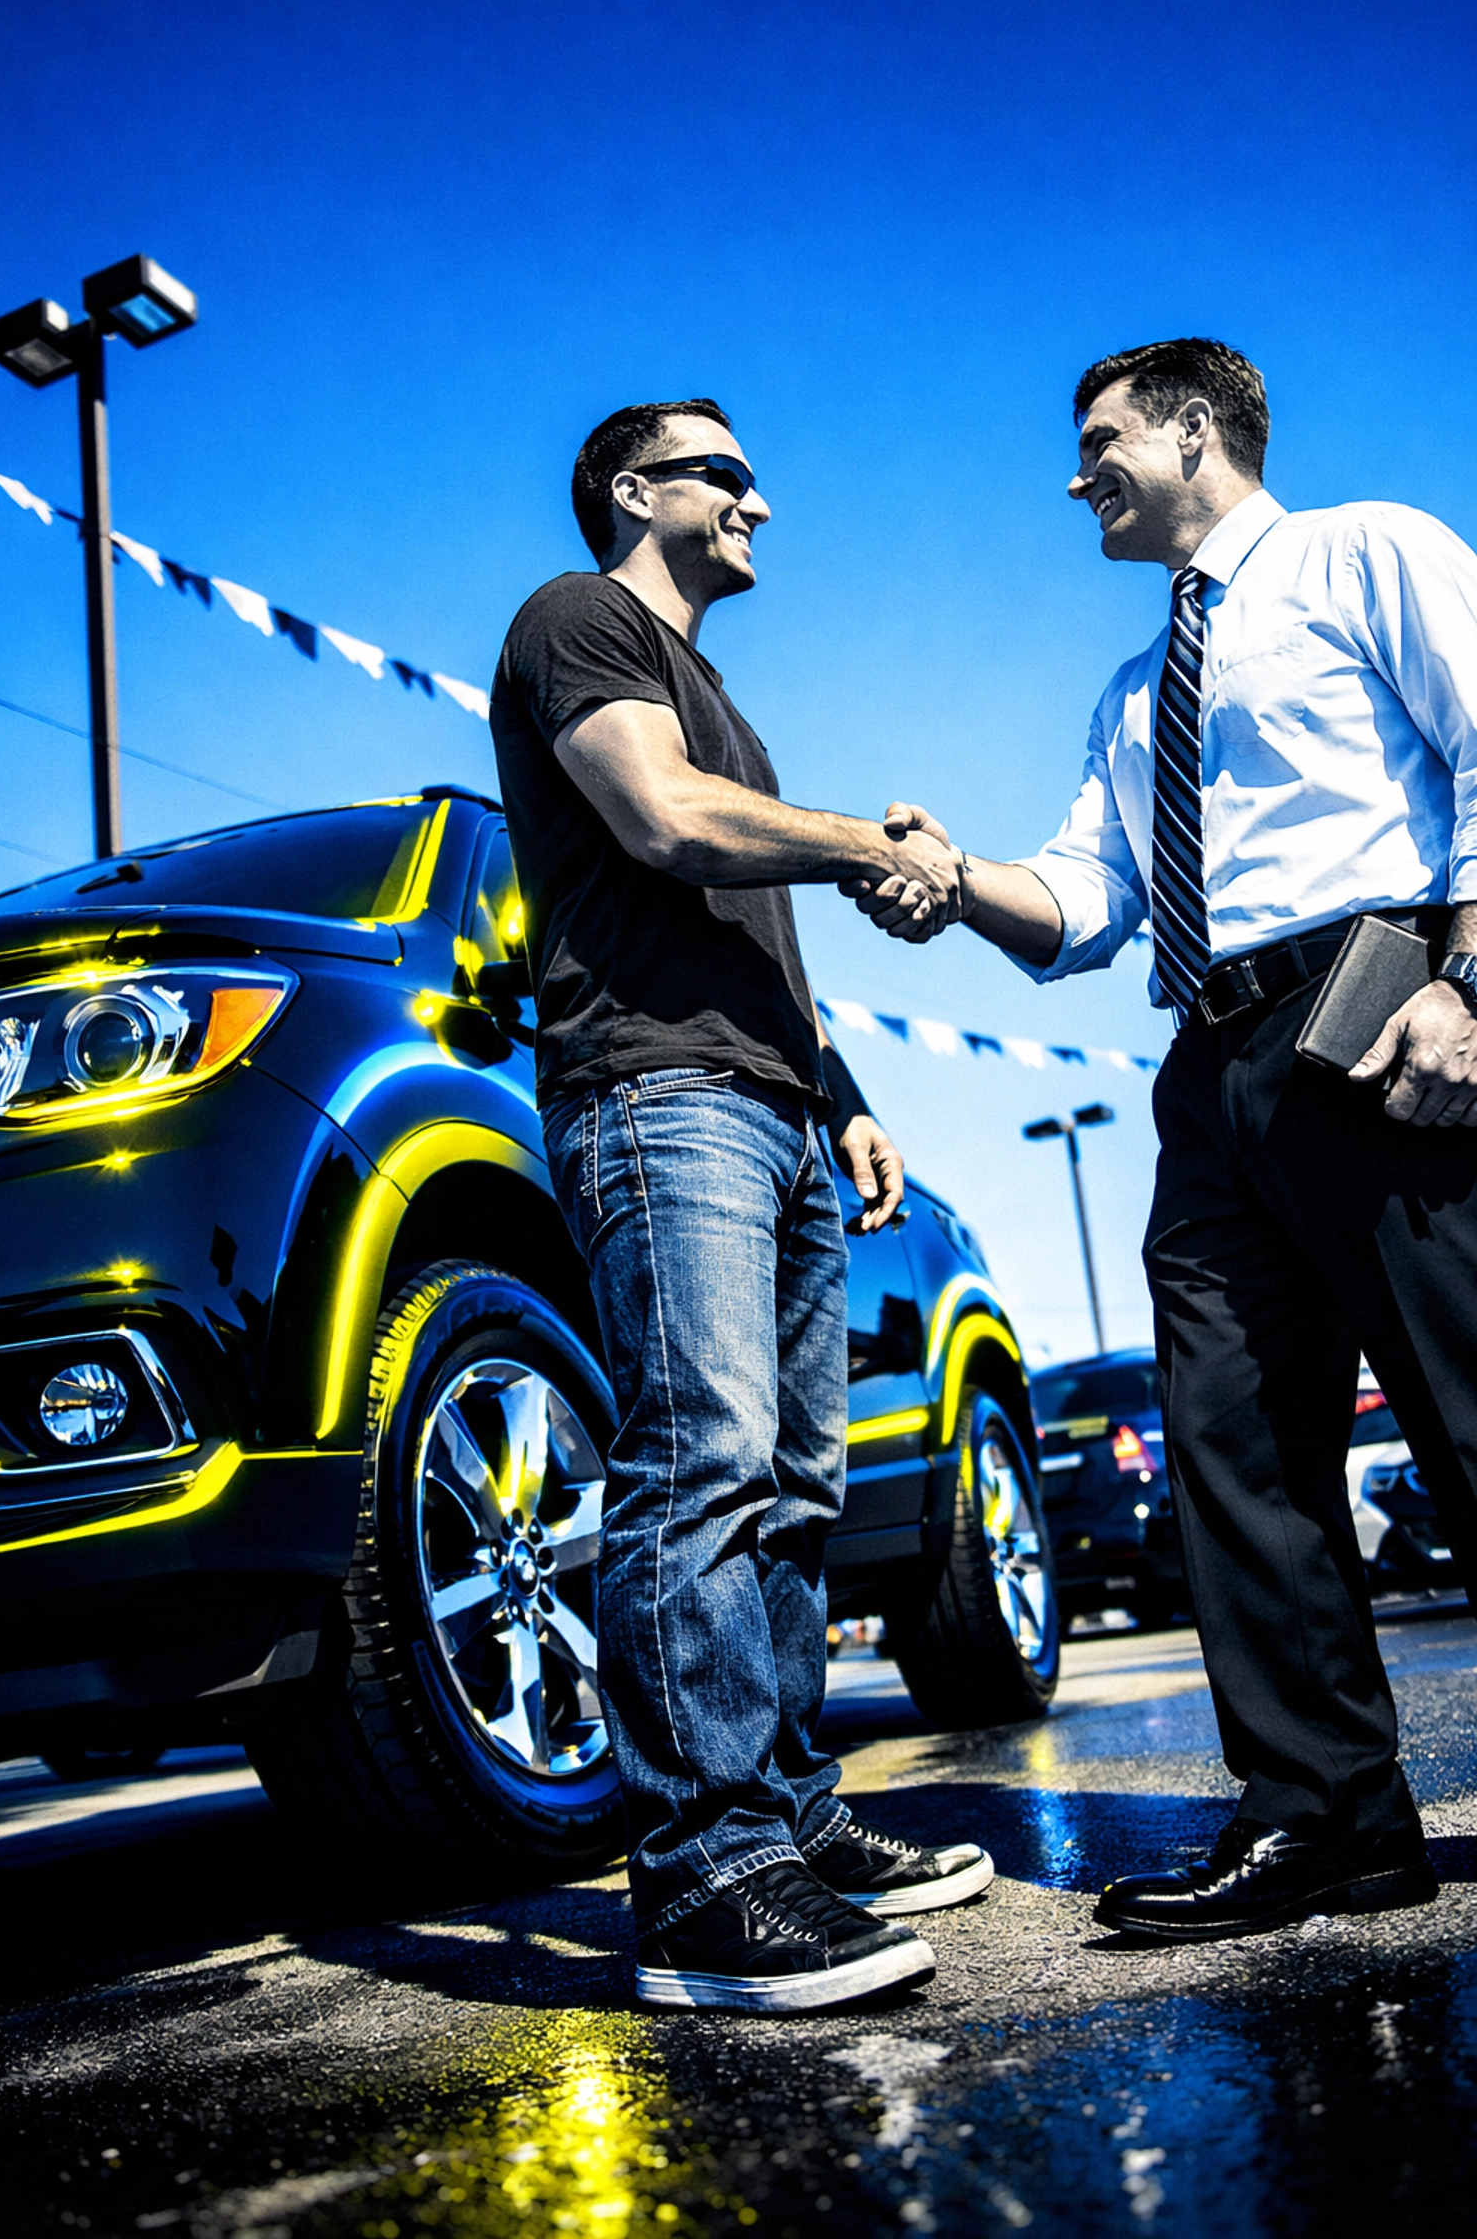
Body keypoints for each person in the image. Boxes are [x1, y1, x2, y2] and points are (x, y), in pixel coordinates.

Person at [853, 337, 1477, 1941]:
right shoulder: (1132, 697)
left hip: (1381, 1015)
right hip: (1210, 1078)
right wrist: (944, 873)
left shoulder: (1366, 553)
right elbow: (1079, 904)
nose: (1079, 478)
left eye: (1101, 441)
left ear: (1196, 429)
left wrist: (1470, 983)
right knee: (1235, 1452)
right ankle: (1329, 1818)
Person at [488, 397, 995, 2011]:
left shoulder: (722, 694)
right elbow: (664, 819)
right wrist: (867, 845)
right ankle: (706, 1876)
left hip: (770, 1113)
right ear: (637, 491)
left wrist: (840, 1099)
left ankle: (788, 1824)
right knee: (698, 1461)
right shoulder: (581, 621)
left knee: (790, 1487)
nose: (760, 499)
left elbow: (745, 932)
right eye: (727, 472)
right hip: (658, 1098)